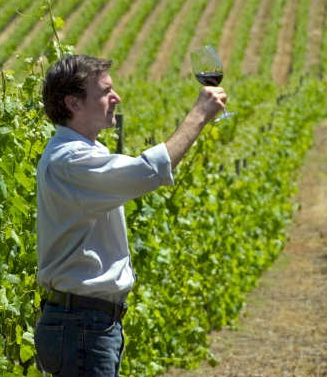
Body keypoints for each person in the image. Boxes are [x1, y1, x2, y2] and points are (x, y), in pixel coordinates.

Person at [34, 54, 226, 376]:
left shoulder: (85, 153)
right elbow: (147, 172)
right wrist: (198, 116)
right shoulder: (70, 161)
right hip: (81, 327)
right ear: (73, 104)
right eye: (105, 91)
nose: (116, 98)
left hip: (86, 324)